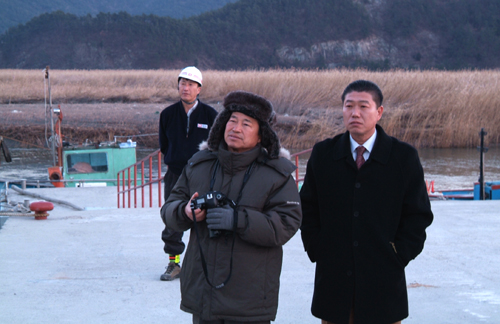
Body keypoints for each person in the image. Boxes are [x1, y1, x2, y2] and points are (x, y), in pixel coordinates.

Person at [161, 90, 302, 323]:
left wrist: (239, 220)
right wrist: (185, 212)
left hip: (249, 299)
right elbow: (169, 208)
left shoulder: (277, 174)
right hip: (203, 292)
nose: (236, 128)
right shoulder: (199, 165)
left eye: (246, 124)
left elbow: (287, 223)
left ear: (261, 136)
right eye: (232, 121)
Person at [300, 80, 433, 324]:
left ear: (379, 112)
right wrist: (317, 247)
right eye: (349, 106)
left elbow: (418, 214)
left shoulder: (402, 157)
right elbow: (308, 208)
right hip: (334, 278)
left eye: (363, 106)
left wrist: (398, 254)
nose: (355, 113)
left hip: (383, 279)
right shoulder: (324, 154)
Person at [158, 66, 218, 281]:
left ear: (199, 89)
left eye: (191, 84)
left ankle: (205, 264)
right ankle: (173, 263)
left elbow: (216, 146)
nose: (186, 88)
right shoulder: (167, 114)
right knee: (173, 217)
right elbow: (164, 145)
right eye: (183, 83)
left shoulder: (210, 115)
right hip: (175, 175)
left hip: (203, 175)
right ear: (178, 86)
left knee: (206, 217)